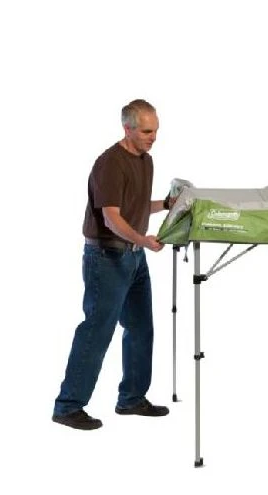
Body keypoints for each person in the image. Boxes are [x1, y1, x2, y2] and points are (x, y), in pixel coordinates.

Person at [52, 99, 178, 430]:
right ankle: (67, 406)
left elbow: (134, 204)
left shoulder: (146, 160)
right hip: (106, 258)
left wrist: (167, 204)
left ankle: (132, 399)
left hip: (134, 258)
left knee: (141, 328)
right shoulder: (110, 163)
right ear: (127, 128)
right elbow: (111, 218)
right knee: (97, 331)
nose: (153, 137)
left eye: (156, 131)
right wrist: (143, 240)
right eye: (147, 131)